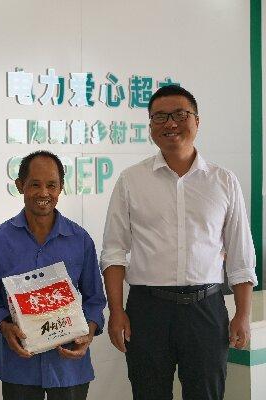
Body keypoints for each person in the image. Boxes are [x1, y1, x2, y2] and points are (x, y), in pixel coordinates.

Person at [101, 85, 257, 400]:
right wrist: (116, 311)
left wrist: (243, 313)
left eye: (180, 115)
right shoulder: (132, 180)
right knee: (148, 393)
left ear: (197, 121)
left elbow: (240, 255)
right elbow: (114, 252)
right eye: (160, 117)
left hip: (206, 309)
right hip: (148, 310)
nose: (170, 123)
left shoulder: (223, 181)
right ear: (150, 126)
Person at [0, 150, 106, 400]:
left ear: (61, 188)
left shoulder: (80, 239)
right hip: (19, 364)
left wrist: (89, 332)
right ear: (20, 185)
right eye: (35, 185)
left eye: (51, 185)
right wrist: (4, 326)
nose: (43, 193)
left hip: (68, 365)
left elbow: (94, 299)